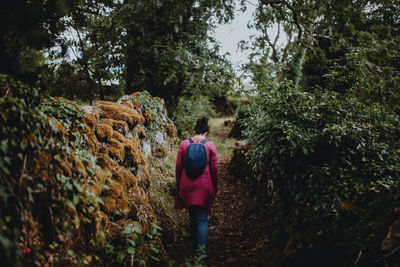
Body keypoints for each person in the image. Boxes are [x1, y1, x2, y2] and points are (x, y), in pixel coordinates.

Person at [174, 117, 218, 257]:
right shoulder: (210, 146)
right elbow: (214, 170)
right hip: (204, 187)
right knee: (202, 218)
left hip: (187, 185)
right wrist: (214, 187)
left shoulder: (184, 144)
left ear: (194, 131)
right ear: (206, 133)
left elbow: (179, 167)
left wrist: (179, 184)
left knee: (192, 214)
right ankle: (201, 252)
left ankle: (194, 246)